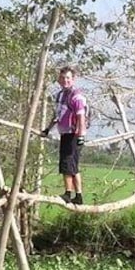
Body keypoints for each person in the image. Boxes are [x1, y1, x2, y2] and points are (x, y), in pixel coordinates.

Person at [50, 66, 88, 204]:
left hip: (73, 134)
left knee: (67, 165)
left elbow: (81, 116)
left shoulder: (76, 96)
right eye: (62, 77)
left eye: (68, 78)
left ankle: (68, 193)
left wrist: (81, 135)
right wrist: (48, 129)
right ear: (59, 79)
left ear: (73, 79)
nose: (65, 80)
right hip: (64, 133)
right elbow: (57, 115)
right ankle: (78, 196)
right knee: (72, 166)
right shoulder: (60, 95)